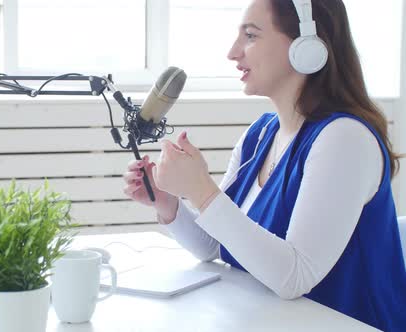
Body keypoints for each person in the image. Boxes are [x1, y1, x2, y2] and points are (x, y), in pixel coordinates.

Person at [122, 0, 406, 330]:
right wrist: (171, 203)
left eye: (251, 36)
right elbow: (214, 244)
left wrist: (202, 190)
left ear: (307, 47)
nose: (233, 52)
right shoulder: (260, 134)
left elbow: (295, 277)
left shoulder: (345, 138)